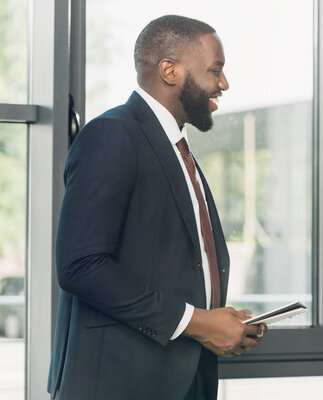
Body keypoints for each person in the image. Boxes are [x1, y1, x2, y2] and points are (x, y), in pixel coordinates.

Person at [47, 15, 266, 400]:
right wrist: (197, 322)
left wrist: (219, 319)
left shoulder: (178, 150)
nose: (224, 84)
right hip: (120, 383)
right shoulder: (111, 134)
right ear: (170, 71)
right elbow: (80, 266)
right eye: (215, 70)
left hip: (187, 377)